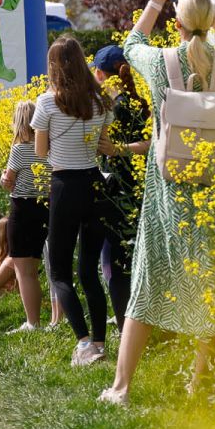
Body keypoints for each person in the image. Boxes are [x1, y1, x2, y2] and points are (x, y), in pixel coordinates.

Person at [103, 0, 215, 405]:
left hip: (166, 190)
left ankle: (122, 387)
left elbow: (130, 45)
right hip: (211, 191)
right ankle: (197, 385)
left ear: (178, 24)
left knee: (147, 284)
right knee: (209, 286)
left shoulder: (163, 62)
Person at [33, 36, 115, 367]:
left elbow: (40, 152)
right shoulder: (100, 102)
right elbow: (103, 145)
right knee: (90, 272)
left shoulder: (47, 102)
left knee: (60, 271)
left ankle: (82, 343)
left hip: (65, 185)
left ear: (54, 67)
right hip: (95, 184)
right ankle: (100, 343)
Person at [92, 44, 150, 332]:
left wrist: (117, 150)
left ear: (101, 74)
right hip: (139, 189)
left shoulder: (115, 107)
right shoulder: (140, 102)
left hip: (118, 192)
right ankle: (138, 321)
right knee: (133, 257)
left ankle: (126, 325)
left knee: (114, 259)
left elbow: (150, 144)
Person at [0, 100, 50, 333]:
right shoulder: (49, 147)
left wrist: (3, 179)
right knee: (37, 267)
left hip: (23, 208)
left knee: (24, 270)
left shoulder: (19, 149)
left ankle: (32, 322)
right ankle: (42, 320)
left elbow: (9, 182)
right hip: (46, 208)